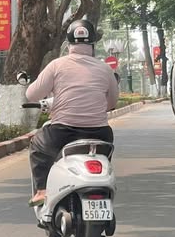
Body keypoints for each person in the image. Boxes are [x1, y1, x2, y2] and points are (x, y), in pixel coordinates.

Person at [27, 19, 120, 207]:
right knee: (103, 157)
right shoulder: (105, 69)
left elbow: (31, 95)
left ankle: (42, 190)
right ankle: (101, 186)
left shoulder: (56, 65)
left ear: (68, 43)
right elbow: (111, 103)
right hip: (100, 134)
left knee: (37, 146)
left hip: (62, 133)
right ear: (93, 44)